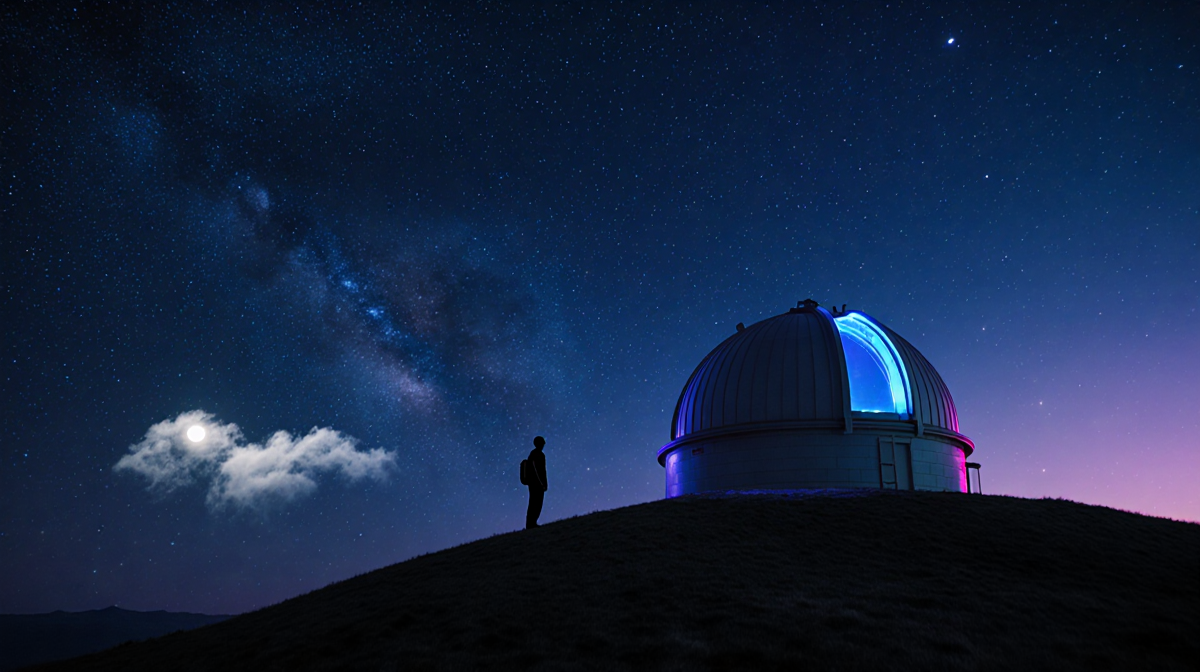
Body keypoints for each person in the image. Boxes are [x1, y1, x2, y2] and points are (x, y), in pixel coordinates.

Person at [526, 436, 547, 529]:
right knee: (535, 503)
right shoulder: (537, 454)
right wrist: (542, 483)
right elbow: (539, 471)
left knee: (536, 503)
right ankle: (531, 523)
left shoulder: (536, 454)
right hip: (536, 484)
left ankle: (532, 523)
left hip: (535, 483)